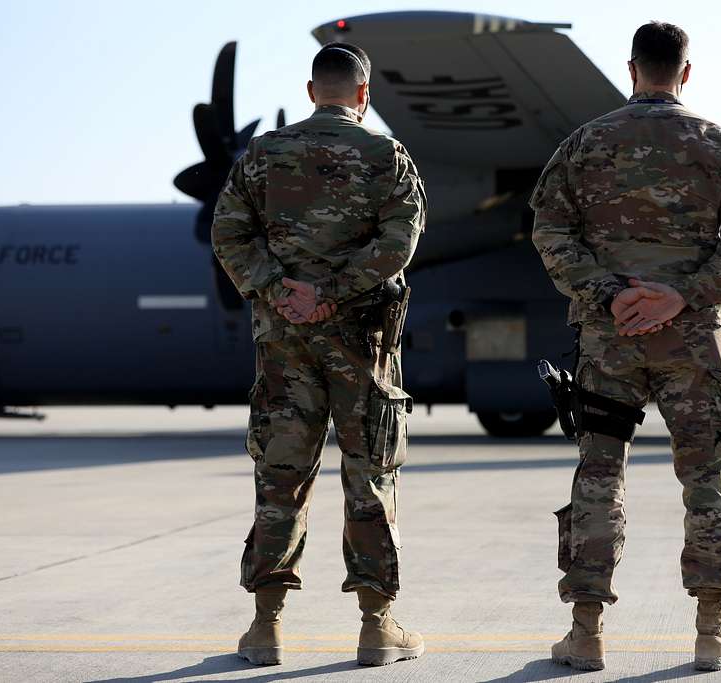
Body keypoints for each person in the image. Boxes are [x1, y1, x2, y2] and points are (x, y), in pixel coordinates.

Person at [530, 21, 721, 672]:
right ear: (686, 72)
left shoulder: (586, 143)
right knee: (706, 480)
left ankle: (585, 633)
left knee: (600, 476)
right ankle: (711, 632)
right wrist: (682, 296)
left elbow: (550, 232)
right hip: (694, 340)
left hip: (608, 340)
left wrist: (609, 293)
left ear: (632, 69)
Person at [211, 42, 427, 668]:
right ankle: (376, 627)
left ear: (312, 93)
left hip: (285, 342)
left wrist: (282, 291)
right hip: (362, 343)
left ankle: (265, 628)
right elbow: (400, 240)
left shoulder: (263, 154)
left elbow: (230, 231)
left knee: (281, 478)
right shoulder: (386, 155)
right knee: (370, 477)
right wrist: (333, 292)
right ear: (364, 95)